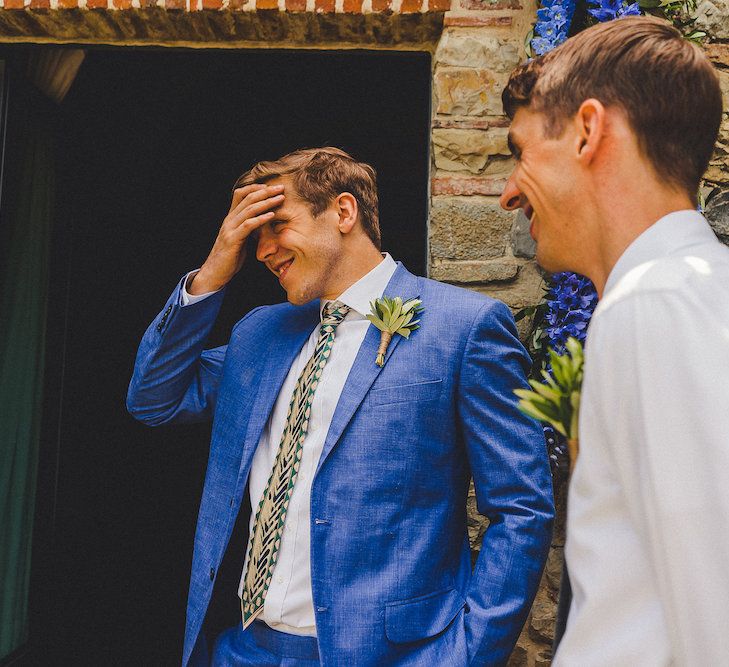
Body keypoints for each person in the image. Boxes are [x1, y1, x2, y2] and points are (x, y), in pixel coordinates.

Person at [127, 147, 554, 666]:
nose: (261, 250)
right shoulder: (259, 334)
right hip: (244, 649)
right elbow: (153, 399)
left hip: (387, 656)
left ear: (344, 212)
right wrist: (214, 267)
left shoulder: (464, 328)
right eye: (251, 233)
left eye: (276, 224)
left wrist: (462, 657)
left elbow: (522, 507)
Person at [499, 15, 729, 665]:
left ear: (587, 132)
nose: (508, 193)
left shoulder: (657, 306)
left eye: (520, 151)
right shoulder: (681, 293)